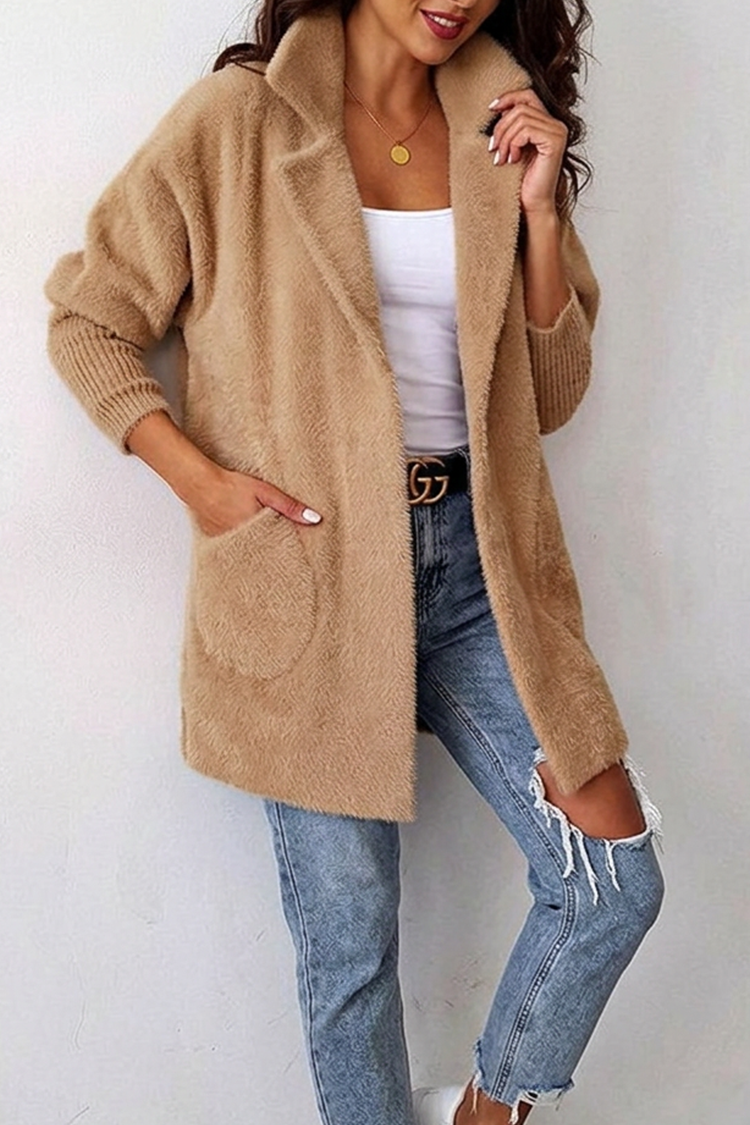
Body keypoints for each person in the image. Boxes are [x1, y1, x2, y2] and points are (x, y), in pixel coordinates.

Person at [43, 1, 665, 1122]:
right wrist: (205, 487)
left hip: (481, 573)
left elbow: (551, 397)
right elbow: (89, 320)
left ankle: (488, 1115)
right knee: (351, 956)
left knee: (612, 876)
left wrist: (536, 214)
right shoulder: (239, 122)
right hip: (313, 572)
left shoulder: (498, 128)